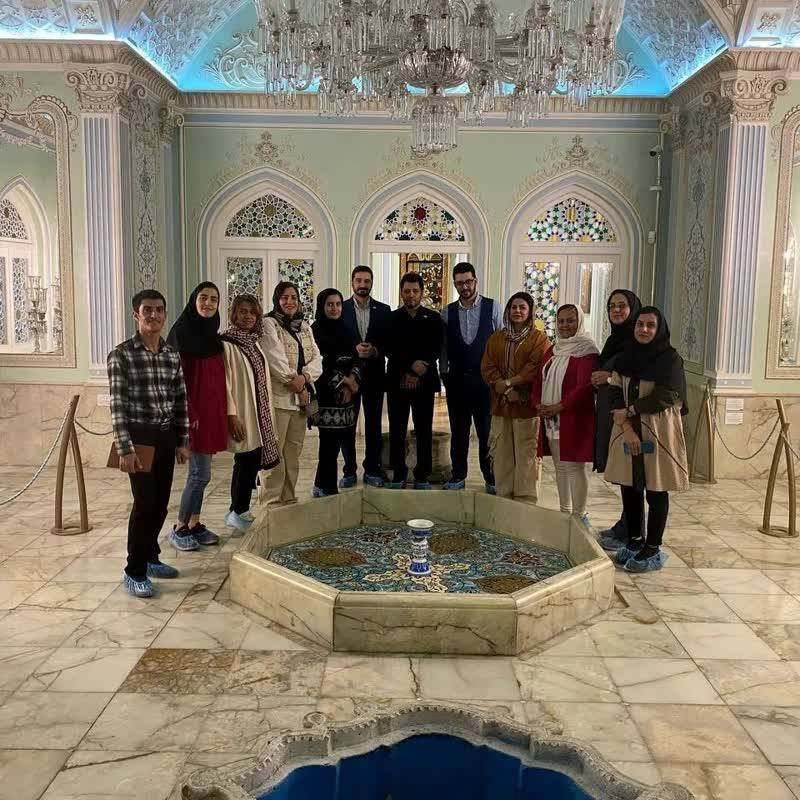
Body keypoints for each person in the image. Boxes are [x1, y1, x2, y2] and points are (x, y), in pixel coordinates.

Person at [107, 289, 189, 598]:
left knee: (161, 503)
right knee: (144, 503)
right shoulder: (122, 355)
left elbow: (180, 399)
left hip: (166, 436)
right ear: (136, 315)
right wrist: (124, 448)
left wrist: (182, 440)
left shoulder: (171, 354)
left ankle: (151, 557)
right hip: (138, 438)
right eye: (147, 310)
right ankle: (134, 570)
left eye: (159, 310)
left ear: (165, 314)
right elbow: (118, 405)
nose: (153, 315)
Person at [604, 306, 689, 573]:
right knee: (629, 486)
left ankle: (652, 547)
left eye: (650, 325)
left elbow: (667, 396)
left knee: (655, 488)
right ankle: (634, 540)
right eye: (640, 324)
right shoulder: (625, 356)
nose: (644, 329)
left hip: (656, 429)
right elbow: (614, 388)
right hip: (627, 429)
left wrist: (630, 410)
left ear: (659, 329)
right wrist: (626, 426)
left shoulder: (670, 360)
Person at [167, 281, 227, 549]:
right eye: (203, 297)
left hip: (210, 414)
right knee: (199, 475)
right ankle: (180, 527)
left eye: (214, 299)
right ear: (194, 300)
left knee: (202, 474)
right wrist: (188, 414)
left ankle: (194, 522)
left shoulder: (213, 335)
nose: (208, 303)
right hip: (192, 417)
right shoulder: (181, 333)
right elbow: (175, 381)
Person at [481, 292, 550, 502]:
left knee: (526, 454)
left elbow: (535, 367)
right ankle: (504, 496)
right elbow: (488, 366)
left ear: (530, 312)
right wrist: (505, 389)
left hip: (526, 405)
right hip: (501, 404)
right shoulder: (496, 338)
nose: (517, 311)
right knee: (502, 453)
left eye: (522, 307)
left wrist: (512, 384)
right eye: (513, 307)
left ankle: (525, 500)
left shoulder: (539, 339)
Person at [440, 262, 503, 492]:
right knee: (459, 432)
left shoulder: (492, 307)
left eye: (468, 281)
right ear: (455, 284)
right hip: (457, 382)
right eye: (460, 283)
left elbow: (501, 342)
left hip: (485, 383)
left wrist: (499, 378)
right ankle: (458, 475)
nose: (465, 287)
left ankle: (491, 477)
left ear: (475, 281)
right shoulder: (447, 312)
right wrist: (444, 374)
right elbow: (444, 347)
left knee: (486, 432)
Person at [534, 304, 599, 524]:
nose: (565, 325)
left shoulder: (587, 350)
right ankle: (565, 514)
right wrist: (538, 404)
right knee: (560, 466)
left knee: (574, 467)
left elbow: (584, 387)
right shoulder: (554, 349)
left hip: (574, 418)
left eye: (570, 320)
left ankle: (579, 516)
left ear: (579, 322)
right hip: (551, 419)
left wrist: (560, 406)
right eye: (561, 321)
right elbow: (540, 378)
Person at [222, 294, 281, 532]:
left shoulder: (254, 341)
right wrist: (231, 415)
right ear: (234, 314)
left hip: (259, 412)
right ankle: (237, 510)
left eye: (253, 312)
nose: (248, 317)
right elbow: (224, 383)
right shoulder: (227, 343)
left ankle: (240, 509)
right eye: (243, 312)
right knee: (244, 459)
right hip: (243, 412)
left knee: (253, 458)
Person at [590, 289, 644, 552]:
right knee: (624, 473)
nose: (616, 310)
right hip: (613, 411)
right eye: (612, 306)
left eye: (622, 305)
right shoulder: (616, 338)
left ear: (633, 308)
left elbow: (640, 378)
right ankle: (626, 525)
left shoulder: (639, 340)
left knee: (634, 474)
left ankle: (635, 532)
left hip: (630, 417)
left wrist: (609, 378)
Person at [262, 281, 323, 504]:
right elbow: (275, 360)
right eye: (284, 297)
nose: (289, 302)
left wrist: (304, 379)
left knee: (293, 453)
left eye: (293, 298)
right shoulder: (268, 324)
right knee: (274, 453)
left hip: (300, 401)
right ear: (277, 300)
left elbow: (317, 359)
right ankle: (271, 503)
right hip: (279, 400)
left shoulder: (305, 326)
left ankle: (288, 499)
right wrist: (296, 382)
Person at [384, 271, 443, 489]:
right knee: (397, 430)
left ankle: (422, 475)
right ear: (401, 292)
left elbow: (436, 347)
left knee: (424, 430)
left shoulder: (434, 318)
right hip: (397, 381)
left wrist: (419, 369)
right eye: (407, 291)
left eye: (415, 291)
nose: (411, 295)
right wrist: (409, 368)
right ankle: (399, 474)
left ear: (422, 292)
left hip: (424, 382)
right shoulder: (391, 319)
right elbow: (389, 348)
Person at [341, 266, 392, 487]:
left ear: (372, 282)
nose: (363, 285)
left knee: (373, 426)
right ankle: (349, 471)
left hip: (374, 376)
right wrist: (353, 350)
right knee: (347, 425)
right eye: (359, 280)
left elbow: (390, 343)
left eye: (367, 281)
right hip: (348, 378)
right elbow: (334, 342)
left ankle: (372, 469)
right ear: (352, 282)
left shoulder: (384, 310)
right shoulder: (340, 308)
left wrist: (376, 351)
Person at [311, 288, 363, 497]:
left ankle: (320, 485)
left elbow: (357, 358)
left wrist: (353, 381)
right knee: (328, 445)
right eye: (330, 304)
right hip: (327, 395)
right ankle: (328, 489)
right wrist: (344, 383)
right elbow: (319, 365)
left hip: (348, 396)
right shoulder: (315, 331)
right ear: (322, 306)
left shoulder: (347, 329)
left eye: (338, 304)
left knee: (340, 441)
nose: (335, 308)